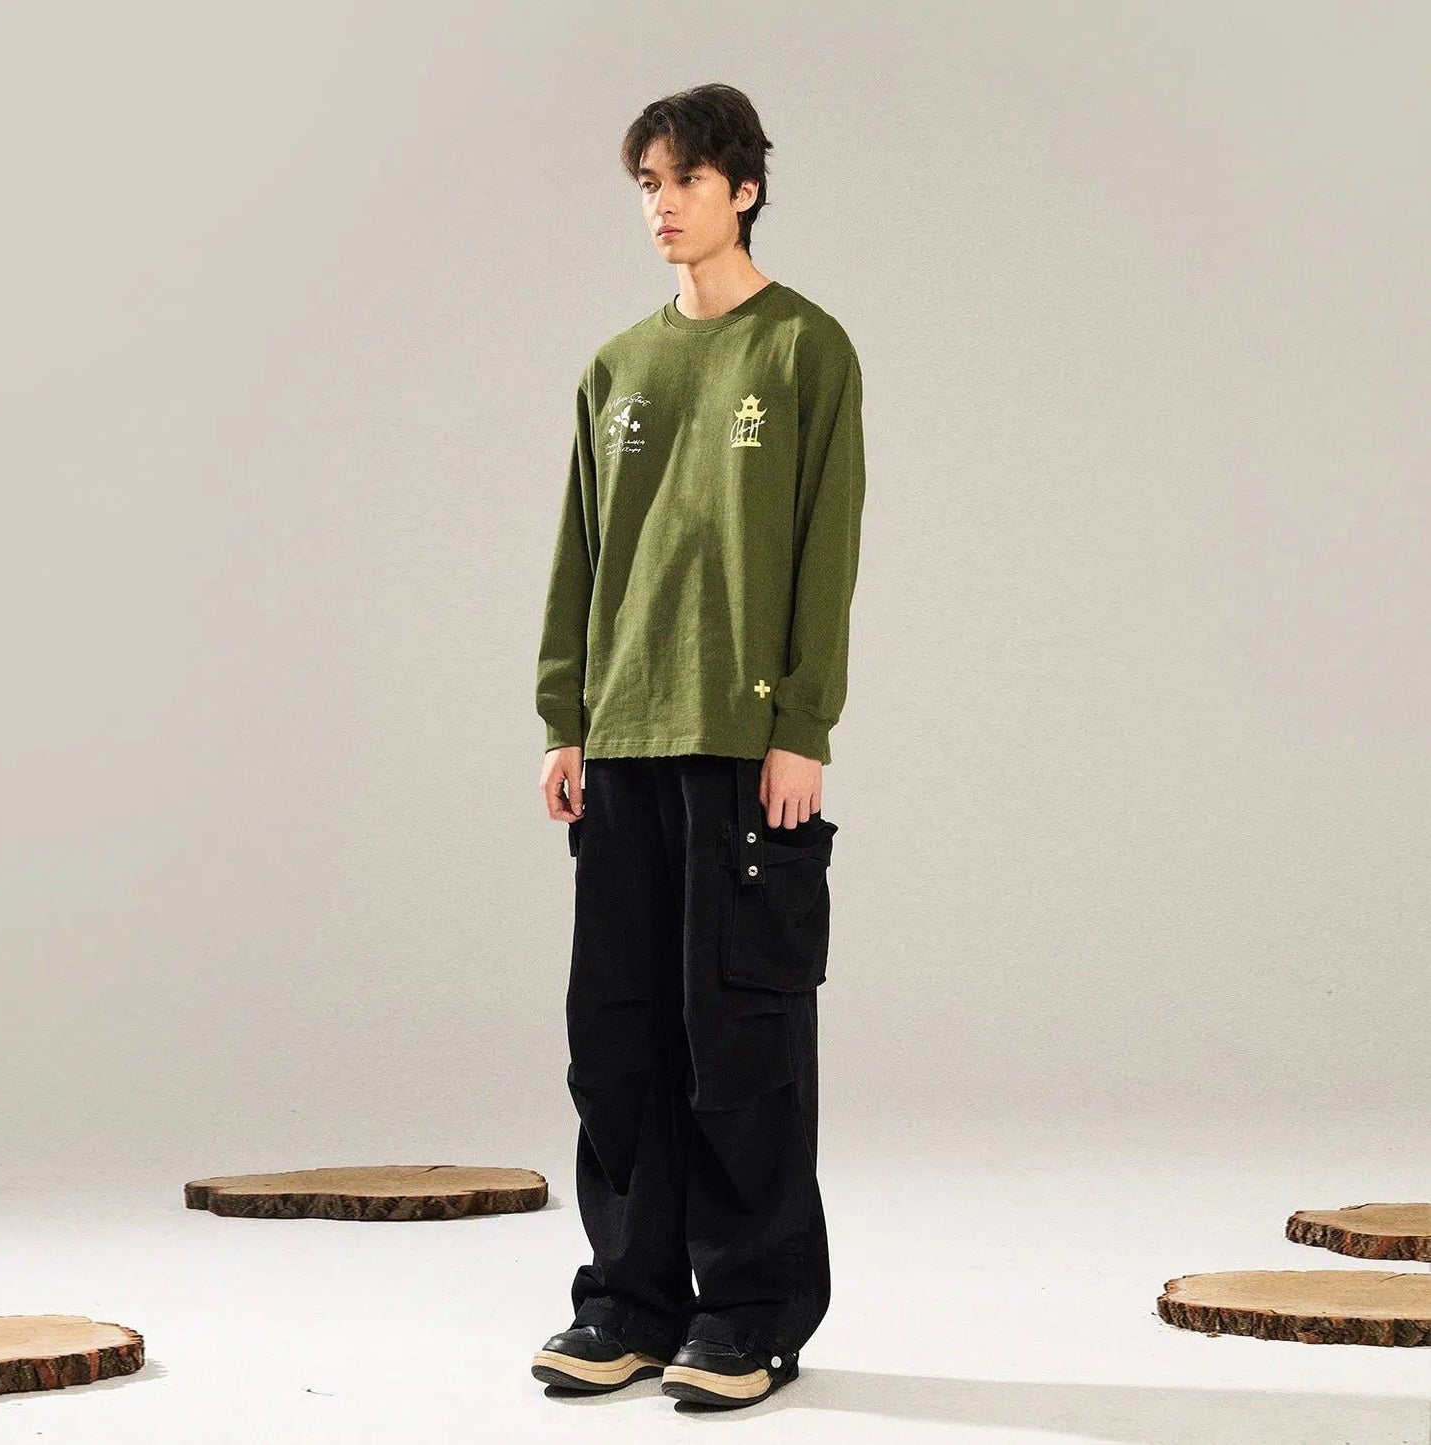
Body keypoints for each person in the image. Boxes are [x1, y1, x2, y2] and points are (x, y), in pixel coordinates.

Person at [529, 81, 866, 1410]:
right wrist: (564, 716)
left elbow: (826, 547)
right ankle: (626, 1302)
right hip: (621, 741)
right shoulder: (617, 368)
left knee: (740, 1038)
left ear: (744, 187)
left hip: (741, 739)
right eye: (647, 185)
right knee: (615, 1038)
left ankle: (752, 1310)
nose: (662, 206)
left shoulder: (805, 350)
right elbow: (578, 550)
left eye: (684, 180)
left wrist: (802, 725)